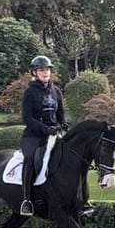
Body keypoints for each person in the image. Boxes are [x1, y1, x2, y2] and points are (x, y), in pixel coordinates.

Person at [20, 55, 67, 216]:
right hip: (33, 136)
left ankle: (78, 196)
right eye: (41, 70)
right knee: (30, 158)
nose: (45, 72)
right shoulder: (29, 93)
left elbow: (60, 113)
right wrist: (45, 129)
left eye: (47, 69)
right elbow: (27, 118)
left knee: (71, 156)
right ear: (34, 73)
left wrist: (63, 125)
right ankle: (26, 200)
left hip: (53, 134)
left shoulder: (56, 91)